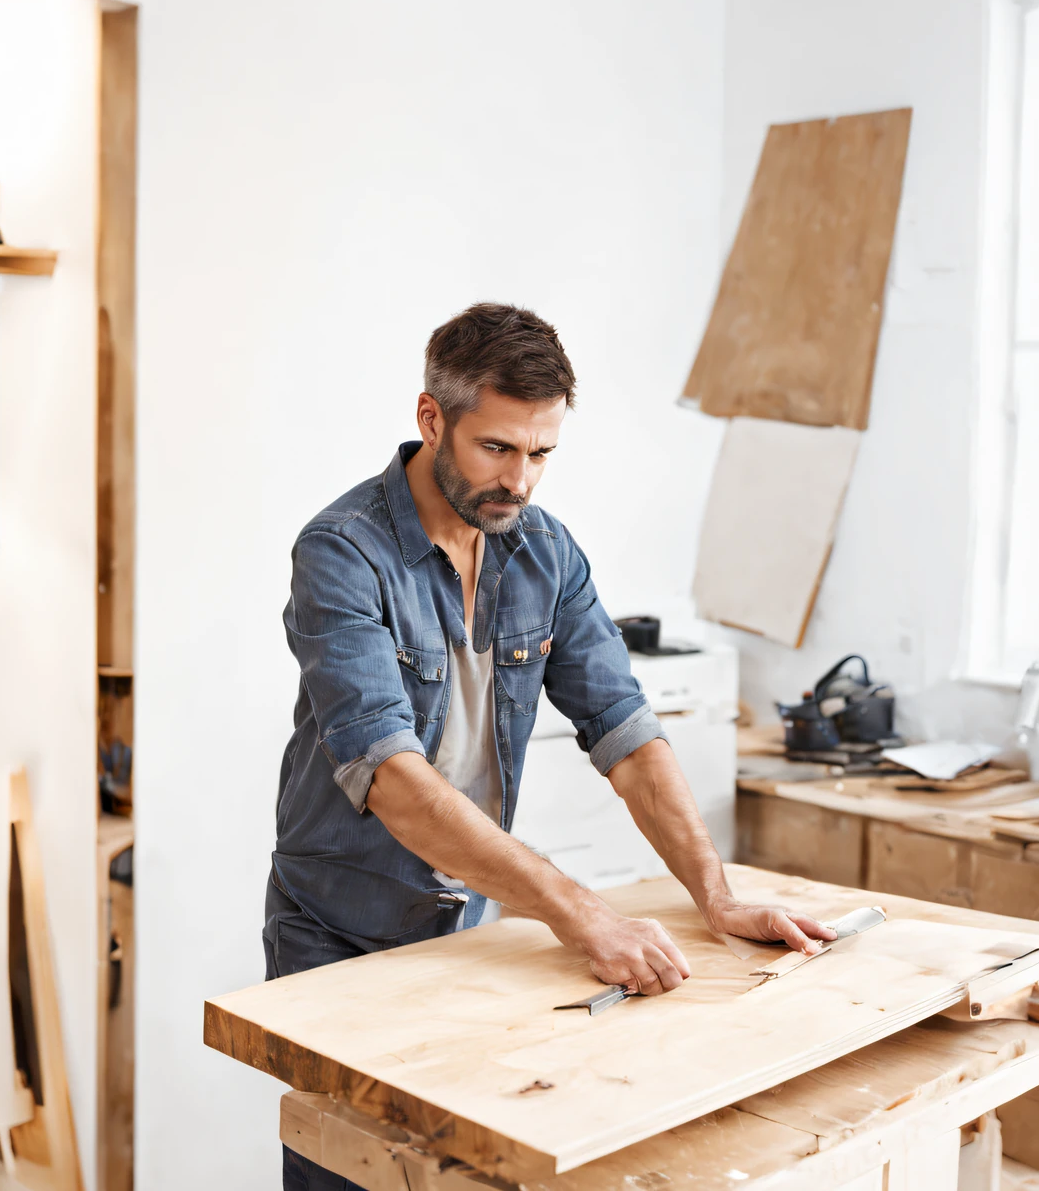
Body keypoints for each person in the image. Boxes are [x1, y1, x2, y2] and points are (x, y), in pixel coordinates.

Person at [266, 302, 833, 1191]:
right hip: (341, 935)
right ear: (431, 420)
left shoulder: (543, 553)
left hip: (473, 923)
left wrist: (715, 896)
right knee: (351, 1176)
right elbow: (394, 781)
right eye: (497, 448)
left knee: (465, 1174)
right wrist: (581, 913)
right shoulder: (342, 554)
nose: (519, 481)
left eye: (541, 455)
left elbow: (628, 735)